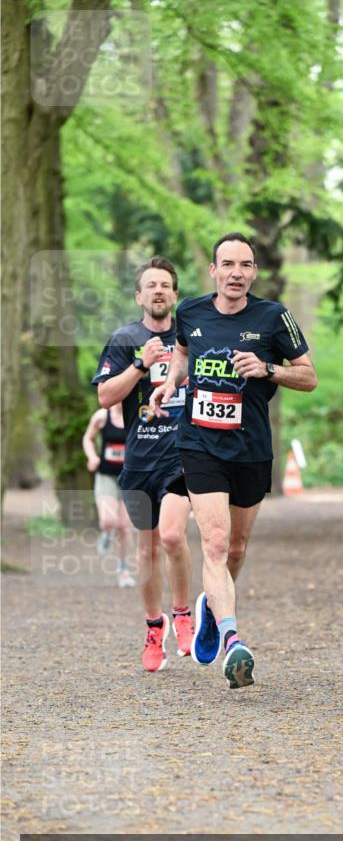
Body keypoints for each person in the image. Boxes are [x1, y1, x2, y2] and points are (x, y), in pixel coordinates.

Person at [150, 232, 317, 689]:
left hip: (251, 447)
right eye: (228, 264)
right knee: (216, 545)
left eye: (245, 265)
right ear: (213, 271)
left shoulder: (273, 317)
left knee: (237, 550)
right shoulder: (191, 312)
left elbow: (308, 376)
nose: (236, 273)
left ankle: (210, 610)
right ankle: (232, 639)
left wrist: (268, 369)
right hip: (199, 442)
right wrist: (170, 383)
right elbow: (183, 351)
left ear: (254, 272)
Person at [92, 257, 194, 672]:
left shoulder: (191, 336)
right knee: (147, 546)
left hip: (183, 454)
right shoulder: (124, 338)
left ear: (174, 294)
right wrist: (140, 364)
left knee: (171, 536)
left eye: (165, 285)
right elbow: (104, 397)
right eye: (150, 285)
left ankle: (184, 613)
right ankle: (155, 628)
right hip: (139, 460)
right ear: (139, 296)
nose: (157, 291)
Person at [82, 402, 136, 588]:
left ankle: (123, 570)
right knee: (108, 521)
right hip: (106, 476)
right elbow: (88, 438)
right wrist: (92, 457)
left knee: (125, 527)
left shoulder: (137, 414)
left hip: (129, 478)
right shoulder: (101, 416)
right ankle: (106, 533)